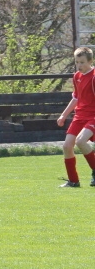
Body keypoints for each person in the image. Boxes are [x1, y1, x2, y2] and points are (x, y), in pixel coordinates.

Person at [56, 46, 95, 188]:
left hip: (93, 116)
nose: (79, 65)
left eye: (82, 62)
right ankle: (73, 181)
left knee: (81, 141)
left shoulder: (94, 77)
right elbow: (76, 98)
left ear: (90, 61)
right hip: (80, 116)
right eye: (77, 62)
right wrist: (63, 115)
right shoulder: (76, 76)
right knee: (67, 146)